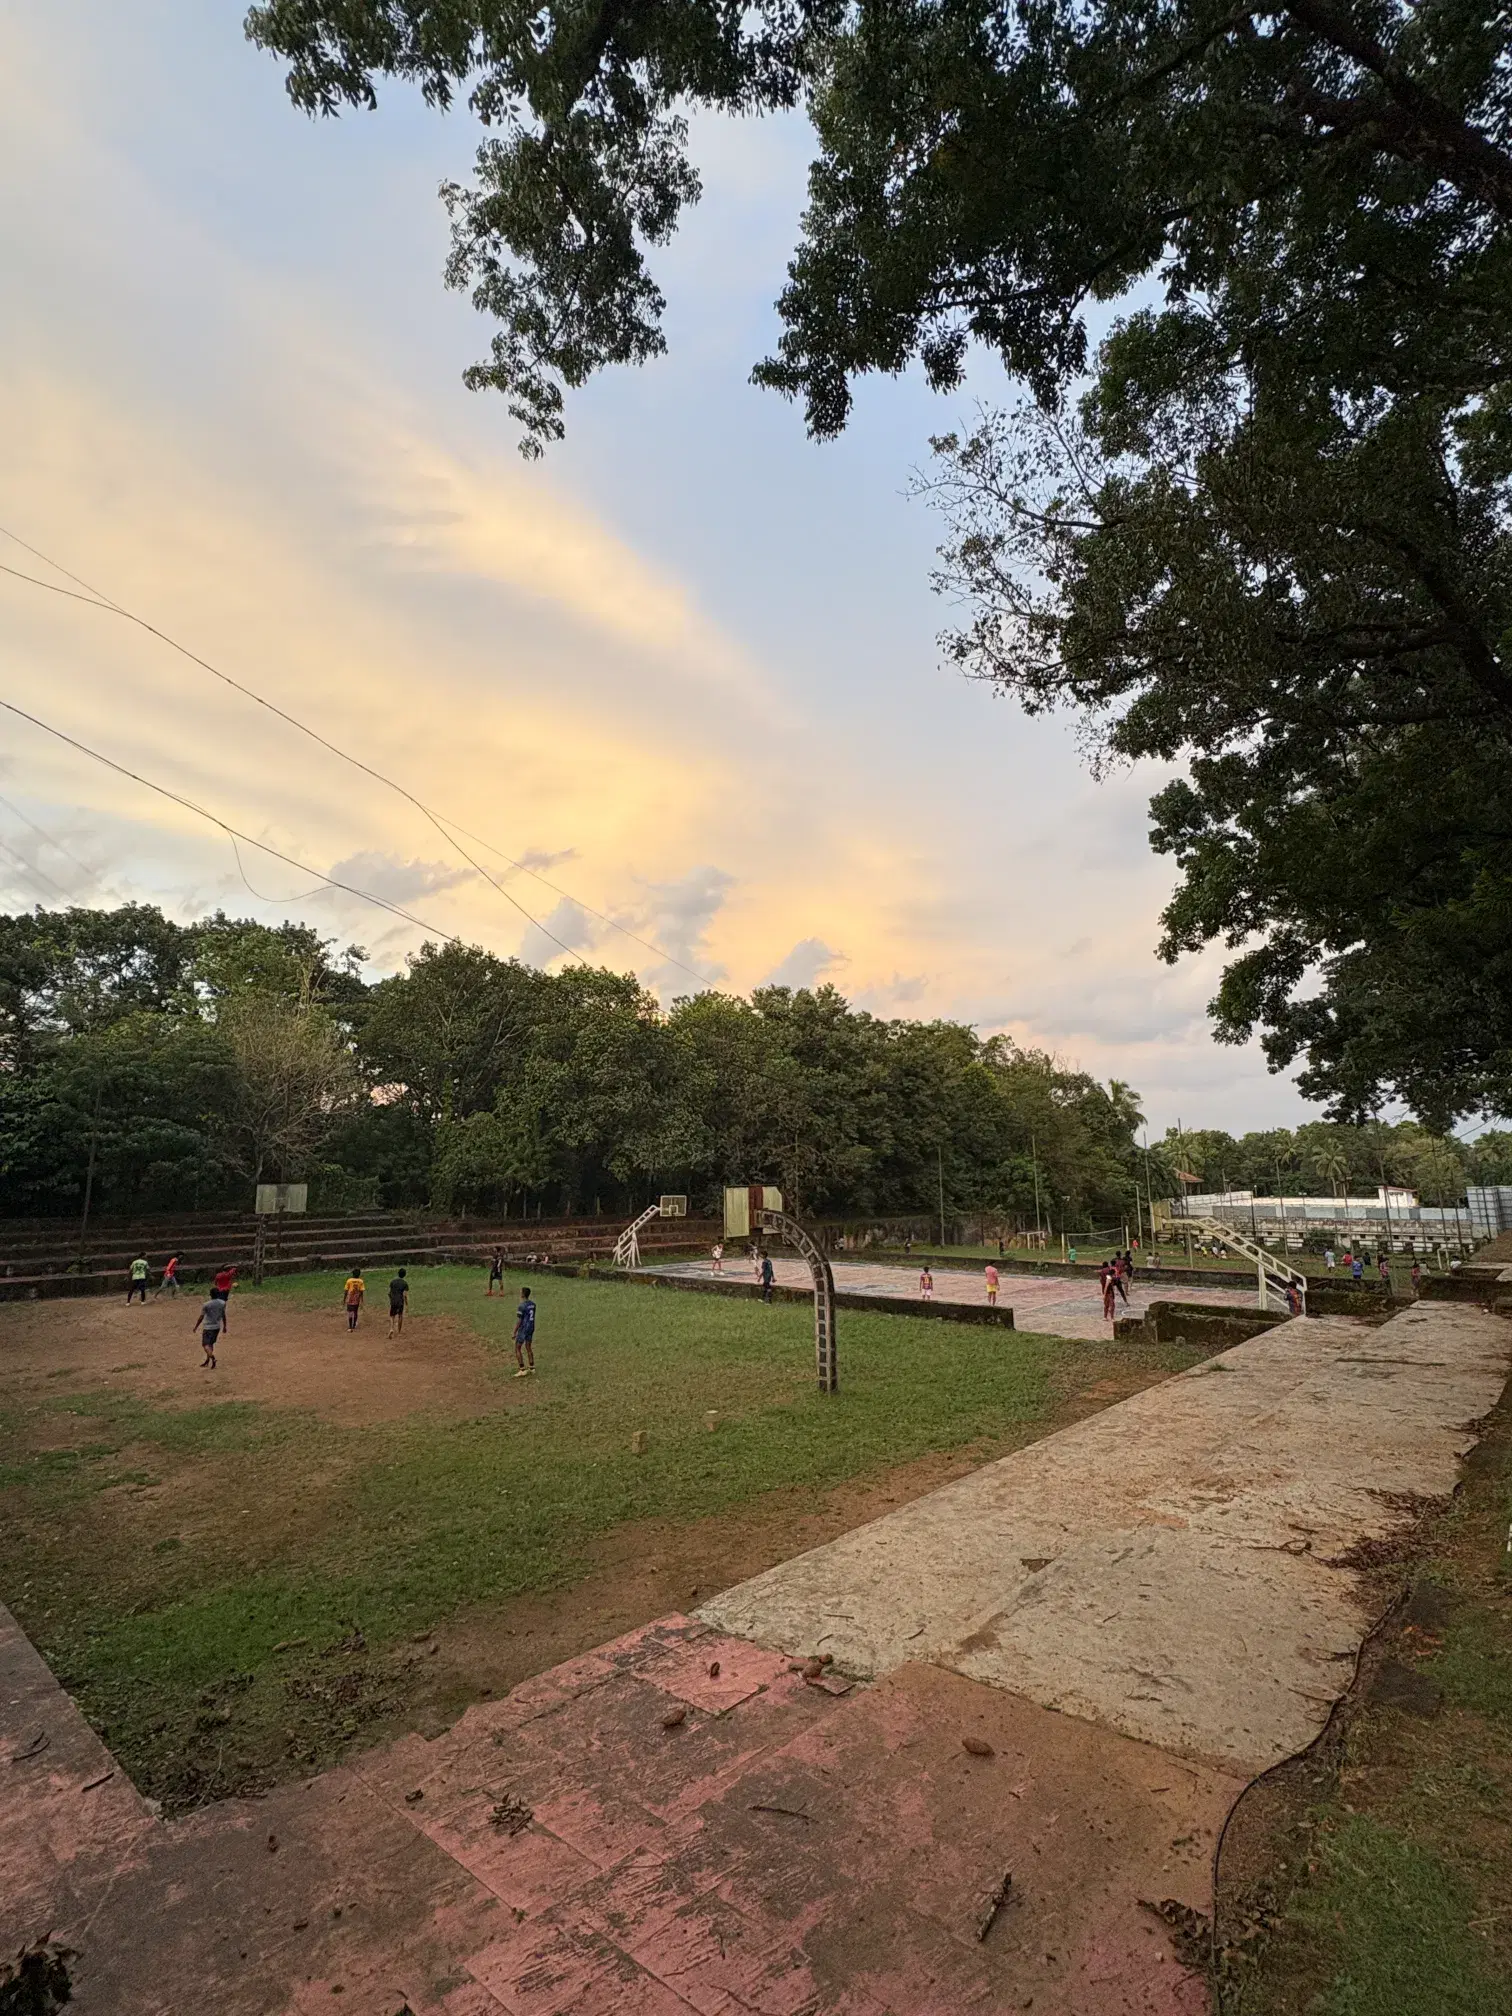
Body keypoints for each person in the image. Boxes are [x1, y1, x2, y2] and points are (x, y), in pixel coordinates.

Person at [195, 1291, 227, 1369]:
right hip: (217, 1327)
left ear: (210, 1295)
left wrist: (196, 1326)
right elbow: (223, 1315)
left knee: (205, 1345)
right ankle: (207, 1360)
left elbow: (201, 1317)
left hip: (208, 1327)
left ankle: (213, 1358)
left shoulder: (206, 1304)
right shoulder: (222, 1303)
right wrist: (225, 1326)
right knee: (211, 1344)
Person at [513, 1285, 536, 1375]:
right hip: (531, 1327)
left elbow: (519, 1321)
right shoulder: (533, 1305)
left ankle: (522, 1369)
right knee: (528, 1347)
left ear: (522, 1294)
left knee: (517, 1348)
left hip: (523, 1329)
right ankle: (532, 1367)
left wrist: (514, 1331)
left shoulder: (522, 1306)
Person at [388, 1267, 409, 1337]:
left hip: (393, 1300)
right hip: (400, 1301)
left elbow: (389, 1293)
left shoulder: (392, 1282)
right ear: (404, 1275)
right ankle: (399, 1332)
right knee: (400, 1316)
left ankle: (391, 1328)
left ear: (398, 1274)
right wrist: (406, 1304)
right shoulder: (405, 1283)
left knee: (392, 1315)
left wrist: (391, 1299)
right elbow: (405, 1295)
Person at [343, 1266, 365, 1331]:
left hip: (350, 1298)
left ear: (352, 1274)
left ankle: (350, 1326)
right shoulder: (361, 1281)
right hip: (357, 1298)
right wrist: (362, 1299)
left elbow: (346, 1290)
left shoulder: (349, 1281)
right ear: (359, 1274)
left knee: (350, 1312)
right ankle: (354, 1324)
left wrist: (344, 1299)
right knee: (355, 1311)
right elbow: (361, 1291)